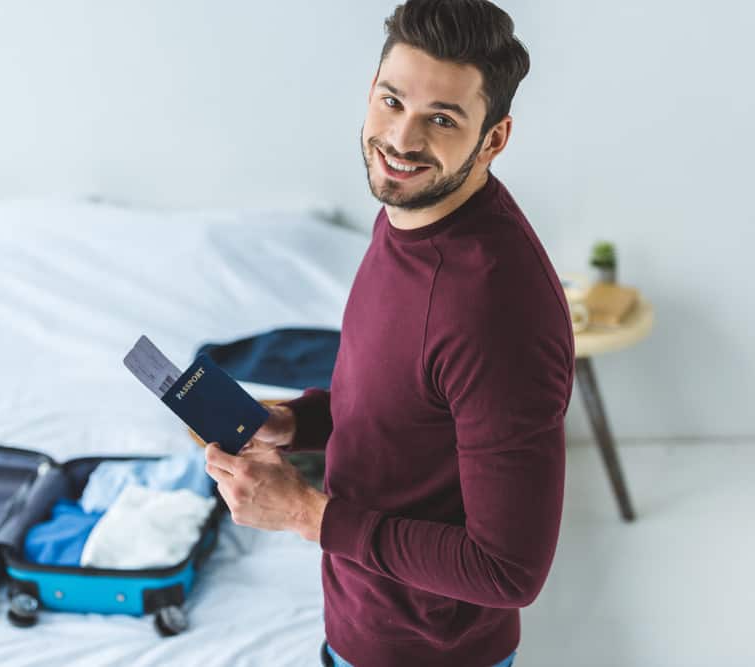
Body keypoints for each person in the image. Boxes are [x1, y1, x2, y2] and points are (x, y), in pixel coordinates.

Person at [204, 1, 574, 665]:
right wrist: (290, 423)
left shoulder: (495, 312)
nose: (400, 139)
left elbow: (509, 571)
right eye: (390, 100)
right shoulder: (411, 212)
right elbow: (399, 406)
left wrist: (300, 513)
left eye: (441, 119)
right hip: (359, 617)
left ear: (492, 138)